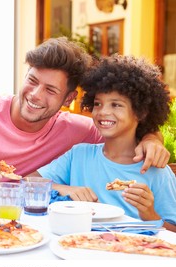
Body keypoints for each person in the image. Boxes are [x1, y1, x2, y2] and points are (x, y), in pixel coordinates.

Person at [0, 37, 170, 197]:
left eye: (50, 90)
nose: (35, 94)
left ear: (69, 99)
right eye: (32, 80)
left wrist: (152, 138)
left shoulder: (81, 131)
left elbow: (128, 130)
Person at [34, 55, 176, 232]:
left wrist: (150, 214)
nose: (103, 112)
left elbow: (172, 231)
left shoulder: (156, 170)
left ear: (141, 113)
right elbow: (28, 184)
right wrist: (63, 189)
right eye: (97, 104)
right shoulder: (78, 155)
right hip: (78, 247)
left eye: (116, 105)